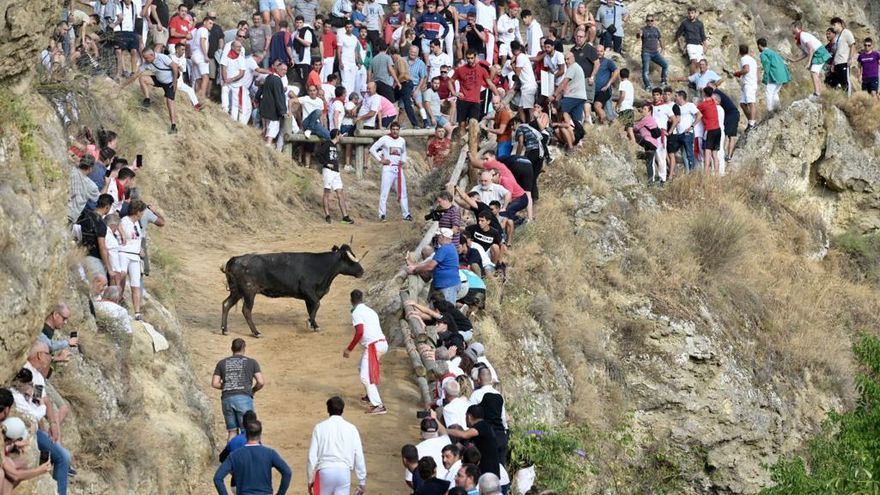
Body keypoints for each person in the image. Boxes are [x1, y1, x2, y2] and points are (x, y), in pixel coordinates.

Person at [21, 342, 72, 495]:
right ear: (39, 355)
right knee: (63, 457)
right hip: (26, 428)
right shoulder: (25, 372)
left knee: (64, 455)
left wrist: (54, 425)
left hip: (35, 427)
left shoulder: (37, 376)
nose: (50, 358)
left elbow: (39, 402)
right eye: (48, 354)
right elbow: (34, 406)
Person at [306, 396, 367, 495]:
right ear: (342, 410)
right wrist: (362, 480)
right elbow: (358, 455)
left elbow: (312, 457)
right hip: (344, 472)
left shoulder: (319, 427)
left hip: (324, 471)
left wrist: (310, 479)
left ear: (328, 410)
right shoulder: (351, 428)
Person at [213, 420, 292, 495]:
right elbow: (287, 472)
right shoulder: (270, 453)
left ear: (246, 435)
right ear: (260, 434)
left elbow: (218, 478)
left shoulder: (234, 455)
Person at [212, 338, 266, 442]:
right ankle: (249, 456)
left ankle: (230, 455)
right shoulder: (252, 362)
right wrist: (253, 390)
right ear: (243, 348)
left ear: (232, 348)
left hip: (227, 399)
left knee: (232, 432)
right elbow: (261, 382)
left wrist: (229, 385)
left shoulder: (222, 363)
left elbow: (215, 383)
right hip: (244, 398)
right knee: (248, 431)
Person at [345, 290, 389, 415]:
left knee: (365, 376)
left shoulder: (357, 312)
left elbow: (359, 332)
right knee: (361, 367)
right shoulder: (370, 311)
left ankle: (378, 405)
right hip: (380, 343)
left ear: (351, 300)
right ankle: (370, 396)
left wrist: (349, 349)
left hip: (373, 347)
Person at [435, 405, 500, 477]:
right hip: (480, 472)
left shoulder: (482, 426)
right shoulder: (472, 433)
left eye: (465, 416)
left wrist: (444, 430)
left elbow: (463, 435)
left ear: (469, 417)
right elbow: (456, 448)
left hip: (489, 472)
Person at [369, 122, 412, 222]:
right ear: (390, 130)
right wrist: (380, 160)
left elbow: (404, 151)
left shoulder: (402, 140)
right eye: (393, 129)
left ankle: (406, 214)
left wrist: (403, 160)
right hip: (388, 168)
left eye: (397, 129)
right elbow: (372, 149)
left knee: (403, 192)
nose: (395, 131)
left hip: (398, 169)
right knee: (385, 192)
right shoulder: (385, 139)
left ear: (399, 130)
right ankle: (382, 214)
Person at [449, 49, 498, 137]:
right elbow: (450, 81)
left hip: (475, 101)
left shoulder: (482, 70)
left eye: (472, 58)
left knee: (474, 124)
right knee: (462, 124)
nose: (470, 60)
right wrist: (454, 92)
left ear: (475, 58)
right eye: (468, 58)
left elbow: (490, 84)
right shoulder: (460, 70)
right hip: (463, 100)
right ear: (466, 58)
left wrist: (497, 95)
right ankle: (462, 144)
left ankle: (472, 146)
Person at [407, 227, 460, 303]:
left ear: (442, 237)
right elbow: (429, 263)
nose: (437, 238)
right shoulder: (450, 247)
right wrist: (415, 266)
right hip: (446, 283)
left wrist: (415, 270)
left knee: (447, 310)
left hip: (448, 285)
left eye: (438, 236)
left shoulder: (444, 249)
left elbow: (430, 266)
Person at [138, 49, 180, 134]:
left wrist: (174, 82)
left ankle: (173, 126)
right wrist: (123, 85)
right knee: (142, 78)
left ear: (152, 55)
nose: (145, 60)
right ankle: (147, 100)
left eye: (146, 58)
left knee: (170, 102)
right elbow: (136, 74)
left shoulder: (162, 57)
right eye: (144, 58)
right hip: (159, 79)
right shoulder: (147, 63)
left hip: (170, 83)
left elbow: (175, 67)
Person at [316, 130, 354, 225]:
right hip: (328, 171)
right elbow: (318, 154)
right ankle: (327, 215)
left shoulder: (334, 146)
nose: (341, 136)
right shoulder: (327, 144)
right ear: (337, 135)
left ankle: (345, 216)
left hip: (336, 172)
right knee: (327, 192)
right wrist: (326, 163)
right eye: (340, 134)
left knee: (340, 193)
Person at [788, 21, 832, 97]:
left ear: (796, 27)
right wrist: (795, 60)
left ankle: (817, 93)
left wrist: (808, 62)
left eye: (792, 27)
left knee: (814, 72)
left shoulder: (803, 35)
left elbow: (811, 49)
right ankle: (819, 92)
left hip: (819, 53)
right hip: (816, 54)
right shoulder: (799, 39)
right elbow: (806, 53)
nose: (790, 29)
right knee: (815, 73)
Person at [757, 38, 791, 112]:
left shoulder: (763, 54)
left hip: (774, 76)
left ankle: (770, 110)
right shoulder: (773, 52)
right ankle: (778, 108)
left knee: (768, 92)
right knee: (775, 92)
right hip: (782, 75)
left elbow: (766, 66)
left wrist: (765, 78)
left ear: (759, 45)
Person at [554, 51, 588, 125]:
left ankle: (557, 128)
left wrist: (554, 95)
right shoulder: (577, 67)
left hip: (573, 96)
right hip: (581, 97)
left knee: (560, 110)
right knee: (576, 120)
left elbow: (564, 83)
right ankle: (576, 133)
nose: (566, 61)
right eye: (565, 59)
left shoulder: (572, 67)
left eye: (568, 59)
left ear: (573, 58)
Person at [632, 101, 663, 183]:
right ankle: (650, 183)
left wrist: (628, 126)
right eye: (643, 109)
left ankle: (633, 155)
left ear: (649, 111)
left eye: (645, 109)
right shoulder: (652, 119)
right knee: (649, 163)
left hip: (648, 142)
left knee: (633, 135)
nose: (643, 110)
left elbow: (635, 128)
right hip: (654, 144)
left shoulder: (646, 119)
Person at [670, 90, 698, 173]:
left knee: (689, 153)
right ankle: (687, 172)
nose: (675, 98)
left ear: (681, 97)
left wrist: (692, 126)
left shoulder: (690, 105)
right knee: (683, 154)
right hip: (679, 134)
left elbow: (699, 115)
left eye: (676, 96)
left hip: (687, 133)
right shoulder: (676, 107)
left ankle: (692, 173)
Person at [694, 86, 721, 174]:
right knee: (715, 154)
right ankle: (716, 173)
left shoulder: (703, 105)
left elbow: (695, 110)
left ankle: (706, 174)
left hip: (709, 130)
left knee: (707, 153)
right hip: (718, 130)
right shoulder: (713, 102)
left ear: (704, 94)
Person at [731, 43, 758, 130]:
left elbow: (746, 69)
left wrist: (738, 73)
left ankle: (752, 123)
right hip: (749, 83)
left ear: (740, 52)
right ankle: (751, 120)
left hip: (749, 84)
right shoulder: (752, 60)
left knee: (751, 103)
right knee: (743, 104)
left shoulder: (744, 59)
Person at [637, 14, 668, 89]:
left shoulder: (656, 29)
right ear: (646, 21)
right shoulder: (643, 29)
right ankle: (647, 86)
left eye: (651, 20)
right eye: (648, 20)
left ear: (654, 21)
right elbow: (638, 36)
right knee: (645, 71)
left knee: (665, 65)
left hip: (655, 53)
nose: (649, 22)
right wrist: (639, 34)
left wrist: (663, 49)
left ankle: (663, 81)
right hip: (646, 52)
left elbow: (660, 39)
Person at [674, 6, 707, 74]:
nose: (691, 15)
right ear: (688, 14)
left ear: (695, 13)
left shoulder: (700, 23)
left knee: (700, 63)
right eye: (689, 13)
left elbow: (703, 35)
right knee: (694, 61)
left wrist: (705, 46)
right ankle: (691, 80)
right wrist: (680, 45)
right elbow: (678, 34)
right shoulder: (685, 23)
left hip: (699, 45)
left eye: (692, 13)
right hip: (690, 45)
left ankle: (698, 80)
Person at [510, 40, 537, 122]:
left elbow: (517, 73)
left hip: (528, 86)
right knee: (520, 108)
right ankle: (524, 124)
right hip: (526, 86)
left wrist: (512, 64)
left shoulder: (520, 57)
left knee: (529, 108)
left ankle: (533, 123)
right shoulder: (523, 56)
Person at [593, 44, 619, 124]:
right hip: (593, 91)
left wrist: (608, 84)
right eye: (597, 51)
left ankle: (605, 126)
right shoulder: (592, 61)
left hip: (604, 90)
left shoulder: (608, 62)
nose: (599, 53)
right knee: (607, 113)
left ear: (604, 52)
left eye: (601, 51)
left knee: (597, 106)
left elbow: (617, 71)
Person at [829, 17, 856, 94]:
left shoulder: (846, 32)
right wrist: (833, 64)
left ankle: (848, 99)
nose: (833, 27)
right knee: (838, 83)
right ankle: (842, 99)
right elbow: (836, 51)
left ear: (839, 24)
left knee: (845, 81)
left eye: (834, 25)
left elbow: (852, 45)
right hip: (837, 63)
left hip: (844, 61)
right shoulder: (836, 36)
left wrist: (850, 58)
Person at [617, 68, 635, 141]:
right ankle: (633, 145)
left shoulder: (622, 83)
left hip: (624, 108)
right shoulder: (630, 84)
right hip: (630, 109)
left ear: (620, 75)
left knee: (619, 127)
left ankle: (620, 141)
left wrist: (618, 104)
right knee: (630, 130)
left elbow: (622, 95)